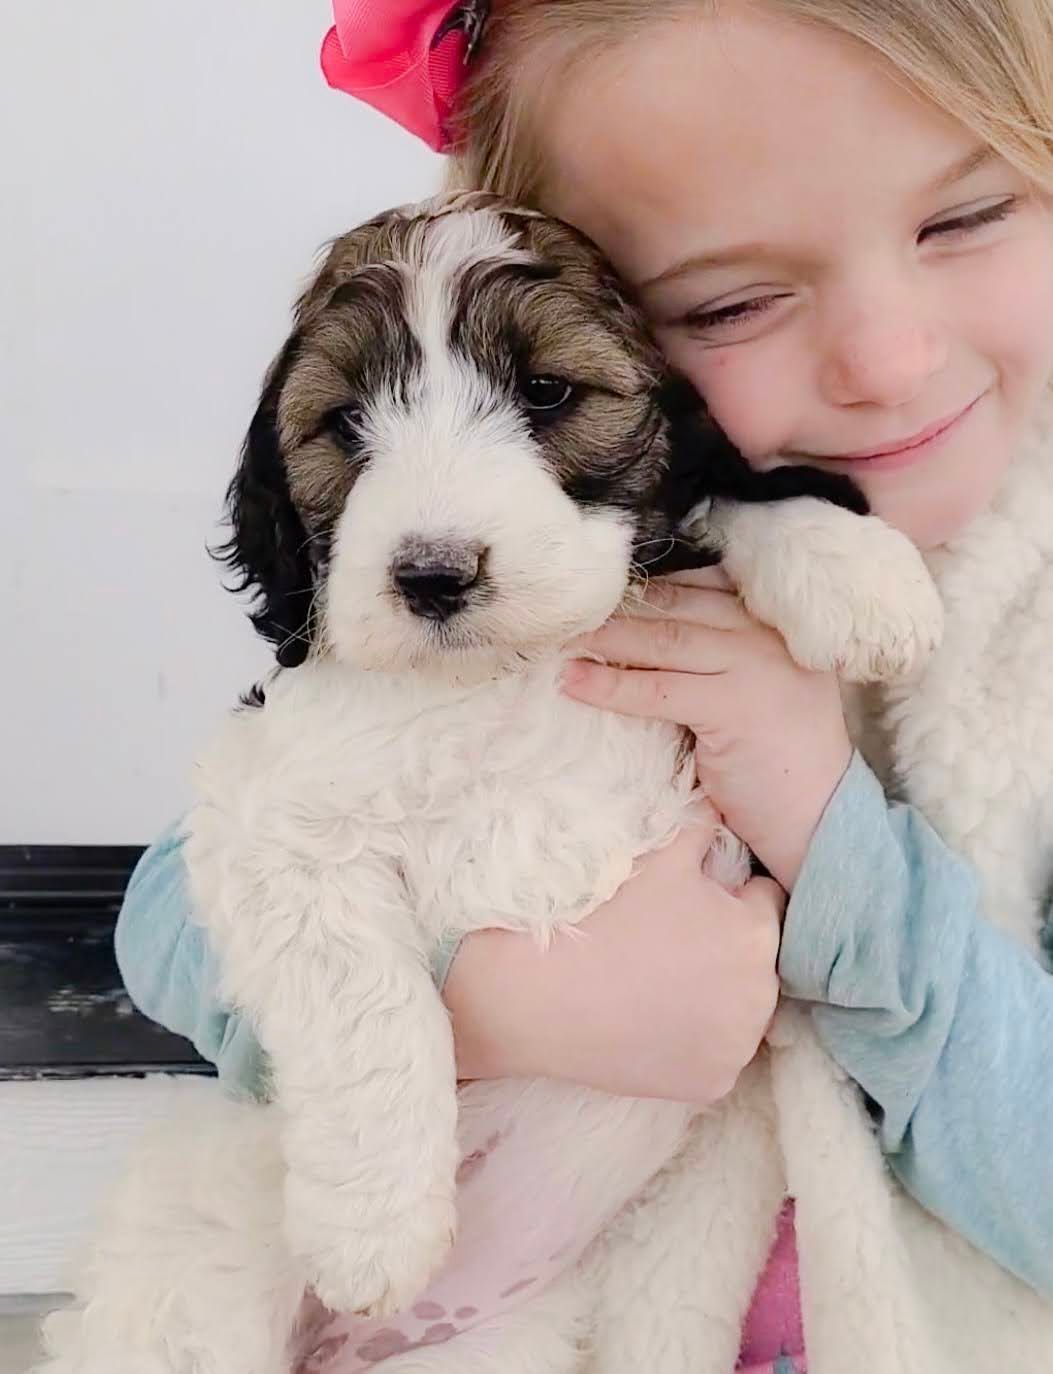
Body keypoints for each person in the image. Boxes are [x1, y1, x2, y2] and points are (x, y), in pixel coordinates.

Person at [115, 0, 1053, 1368]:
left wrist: (828, 835)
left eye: (963, 218)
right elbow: (174, 915)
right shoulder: (554, 581)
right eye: (730, 301)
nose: (886, 359)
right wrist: (490, 1001)